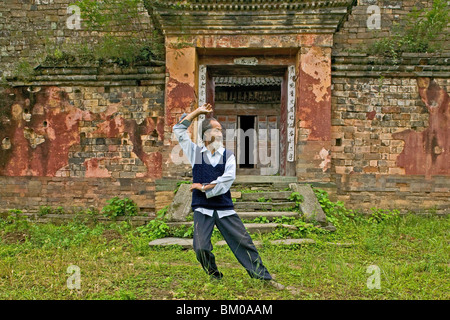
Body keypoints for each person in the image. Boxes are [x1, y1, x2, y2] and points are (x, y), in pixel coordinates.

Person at [172, 103, 285, 290]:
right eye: (217, 129)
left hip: (224, 208)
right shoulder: (196, 153)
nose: (221, 133)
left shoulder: (228, 156)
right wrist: (198, 112)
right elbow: (179, 129)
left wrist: (204, 187)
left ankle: (265, 279)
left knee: (244, 243)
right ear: (206, 134)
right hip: (202, 209)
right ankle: (214, 275)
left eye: (221, 130)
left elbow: (227, 180)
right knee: (200, 248)